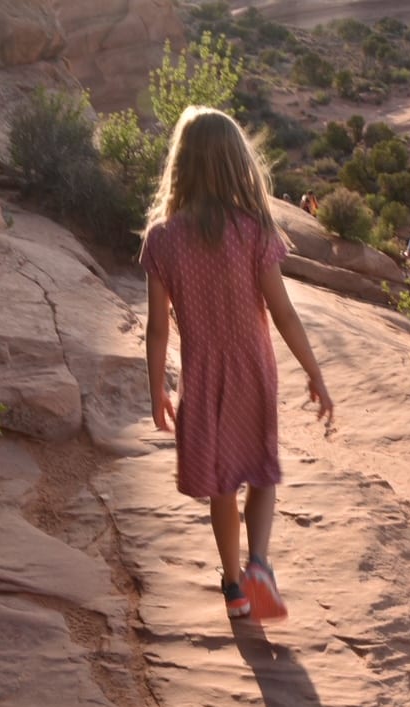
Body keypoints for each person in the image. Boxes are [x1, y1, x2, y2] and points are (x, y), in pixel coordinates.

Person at [142, 106, 335, 619]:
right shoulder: (254, 230)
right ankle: (259, 565)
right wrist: (315, 372)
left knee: (222, 485)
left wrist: (156, 385)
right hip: (253, 370)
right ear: (236, 164)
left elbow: (158, 326)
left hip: (201, 377)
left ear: (182, 164)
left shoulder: (162, 238)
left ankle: (233, 588)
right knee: (262, 471)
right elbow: (284, 312)